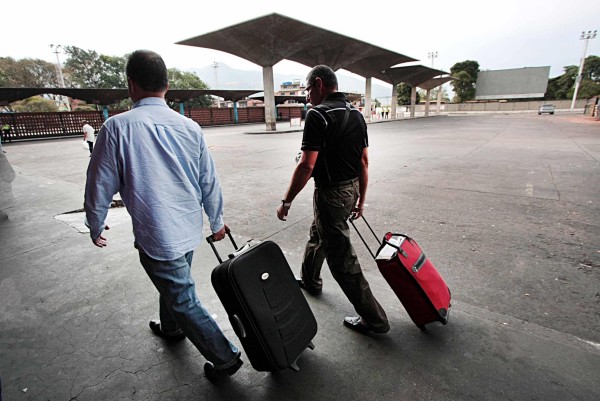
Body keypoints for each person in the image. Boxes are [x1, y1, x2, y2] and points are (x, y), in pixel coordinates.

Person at [84, 50, 243, 382]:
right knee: (175, 284)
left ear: (131, 84)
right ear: (167, 86)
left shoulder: (116, 128)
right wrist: (215, 221)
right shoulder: (189, 126)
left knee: (182, 297)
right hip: (187, 226)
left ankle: (225, 358)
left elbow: (99, 182)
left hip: (157, 232)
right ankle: (171, 328)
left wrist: (95, 222)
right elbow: (208, 180)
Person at [276, 65, 389, 335]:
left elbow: (306, 166)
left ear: (319, 84)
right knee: (319, 233)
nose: (307, 97)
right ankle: (311, 280)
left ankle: (375, 320)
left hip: (331, 193)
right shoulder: (357, 114)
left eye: (308, 90)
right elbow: (363, 161)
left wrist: (287, 201)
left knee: (342, 259)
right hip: (350, 190)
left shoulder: (317, 115)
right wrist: (361, 198)